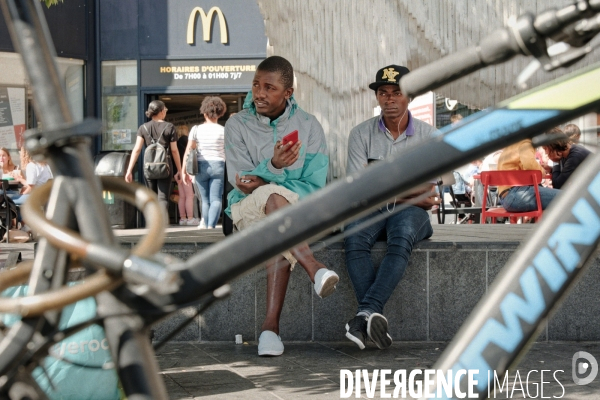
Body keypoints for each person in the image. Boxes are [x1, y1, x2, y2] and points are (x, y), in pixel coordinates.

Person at [224, 55, 338, 356]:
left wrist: (267, 180)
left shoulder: (309, 127)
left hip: (294, 212)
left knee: (277, 216)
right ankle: (314, 268)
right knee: (274, 201)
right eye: (256, 85)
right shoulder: (237, 124)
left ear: (287, 93)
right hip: (245, 207)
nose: (259, 93)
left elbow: (315, 186)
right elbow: (240, 180)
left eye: (269, 87)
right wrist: (273, 166)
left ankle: (270, 330)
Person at [344, 65, 439, 350]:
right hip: (374, 210)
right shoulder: (360, 134)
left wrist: (382, 186)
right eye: (383, 93)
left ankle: (363, 315)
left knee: (403, 233)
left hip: (413, 214)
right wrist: (407, 190)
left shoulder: (429, 136)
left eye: (396, 93)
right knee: (353, 233)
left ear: (409, 96)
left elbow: (428, 195)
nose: (389, 99)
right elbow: (358, 190)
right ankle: (369, 318)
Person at [125, 100, 182, 213]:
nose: (165, 112)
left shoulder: (143, 128)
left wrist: (129, 170)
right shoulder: (169, 127)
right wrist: (179, 170)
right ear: (161, 112)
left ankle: (153, 223)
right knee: (163, 197)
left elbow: (136, 150)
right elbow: (174, 150)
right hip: (165, 166)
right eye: (165, 110)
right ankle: (161, 224)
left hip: (149, 167)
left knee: (152, 197)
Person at [183, 97, 227, 229]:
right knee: (216, 198)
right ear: (220, 113)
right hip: (219, 165)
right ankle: (211, 226)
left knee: (205, 199)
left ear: (204, 112)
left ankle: (206, 224)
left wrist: (184, 170)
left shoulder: (196, 129)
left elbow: (189, 150)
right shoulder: (223, 130)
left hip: (200, 166)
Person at [496, 138, 560, 212]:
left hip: (505, 198)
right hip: (516, 194)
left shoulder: (513, 144)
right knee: (568, 197)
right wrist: (542, 171)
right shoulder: (525, 143)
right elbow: (528, 163)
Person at [175, 125, 197, 225]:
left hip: (178, 172)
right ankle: (190, 218)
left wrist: (178, 171)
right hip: (185, 171)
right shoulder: (185, 141)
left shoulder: (176, 142)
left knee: (182, 196)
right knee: (190, 195)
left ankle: (182, 218)